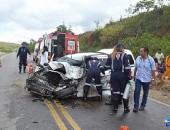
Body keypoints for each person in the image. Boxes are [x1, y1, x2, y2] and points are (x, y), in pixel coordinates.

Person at [104, 43, 131, 113]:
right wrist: (128, 77)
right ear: (121, 48)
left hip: (113, 75)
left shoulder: (111, 55)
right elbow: (127, 67)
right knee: (124, 92)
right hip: (122, 75)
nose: (124, 49)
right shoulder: (124, 55)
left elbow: (106, 66)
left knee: (115, 91)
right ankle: (126, 108)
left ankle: (115, 108)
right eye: (123, 48)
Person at [133, 47, 156, 112]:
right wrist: (134, 76)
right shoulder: (138, 58)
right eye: (140, 51)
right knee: (137, 92)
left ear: (145, 52)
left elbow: (153, 70)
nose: (140, 52)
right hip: (138, 78)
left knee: (145, 93)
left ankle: (143, 105)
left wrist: (153, 80)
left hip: (147, 79)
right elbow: (136, 68)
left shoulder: (150, 60)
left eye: (141, 51)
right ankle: (136, 106)